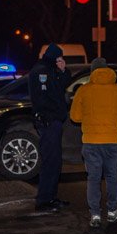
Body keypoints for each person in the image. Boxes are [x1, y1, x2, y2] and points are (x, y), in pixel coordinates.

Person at [69, 57, 117, 227]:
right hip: (113, 141)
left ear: (92, 72)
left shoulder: (83, 90)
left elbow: (74, 116)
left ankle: (95, 214)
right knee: (112, 176)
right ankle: (112, 211)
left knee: (93, 178)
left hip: (91, 141)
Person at [28, 43, 71, 212]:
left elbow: (60, 87)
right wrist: (61, 72)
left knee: (54, 161)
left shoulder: (46, 69)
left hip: (51, 121)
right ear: (55, 57)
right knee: (50, 161)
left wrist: (63, 72)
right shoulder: (43, 71)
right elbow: (54, 93)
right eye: (59, 58)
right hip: (49, 121)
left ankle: (50, 197)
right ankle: (44, 200)